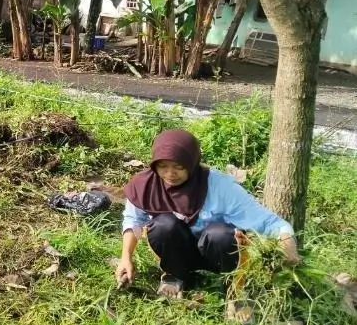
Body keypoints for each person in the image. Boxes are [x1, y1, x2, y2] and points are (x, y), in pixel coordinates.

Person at [115, 129, 300, 310]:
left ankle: (233, 289)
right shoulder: (145, 185)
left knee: (219, 233)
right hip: (177, 251)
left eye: (179, 167)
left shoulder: (220, 187)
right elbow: (133, 220)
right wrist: (126, 258)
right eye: (163, 166)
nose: (170, 174)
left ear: (192, 164)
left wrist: (288, 246)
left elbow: (270, 223)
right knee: (163, 225)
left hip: (217, 253)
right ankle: (175, 275)